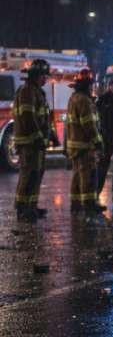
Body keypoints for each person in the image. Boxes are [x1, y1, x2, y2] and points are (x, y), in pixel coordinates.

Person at [12, 58, 56, 222]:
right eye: (44, 76)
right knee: (28, 175)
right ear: (36, 75)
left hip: (36, 142)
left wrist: (51, 135)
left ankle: (31, 207)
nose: (45, 79)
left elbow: (43, 118)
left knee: (36, 174)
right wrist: (38, 138)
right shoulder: (27, 92)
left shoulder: (37, 92)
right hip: (29, 142)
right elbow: (27, 117)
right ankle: (22, 209)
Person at [67, 68, 105, 214]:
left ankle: (76, 204)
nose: (92, 88)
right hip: (85, 145)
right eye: (91, 85)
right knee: (88, 176)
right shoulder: (84, 101)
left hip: (75, 146)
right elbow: (88, 124)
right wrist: (98, 142)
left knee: (77, 175)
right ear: (87, 86)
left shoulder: (74, 98)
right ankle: (90, 205)